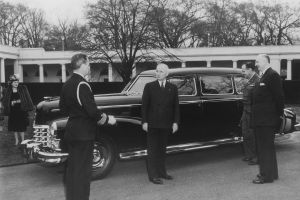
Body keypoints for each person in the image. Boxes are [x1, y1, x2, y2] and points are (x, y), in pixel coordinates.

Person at [59, 53, 116, 200]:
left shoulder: (67, 84)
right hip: (84, 133)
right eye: (88, 64)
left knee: (73, 170)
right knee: (83, 172)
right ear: (82, 65)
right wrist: (108, 119)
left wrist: (77, 112)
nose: (89, 67)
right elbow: (93, 111)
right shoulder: (82, 85)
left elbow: (63, 109)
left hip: (71, 132)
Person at [141, 63, 180, 185]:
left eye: (161, 71)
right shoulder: (149, 86)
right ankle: (153, 175)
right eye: (157, 71)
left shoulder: (173, 88)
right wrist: (144, 122)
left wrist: (176, 122)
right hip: (152, 124)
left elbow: (176, 107)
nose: (157, 73)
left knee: (162, 150)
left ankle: (162, 172)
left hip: (166, 124)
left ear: (167, 74)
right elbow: (144, 106)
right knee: (152, 150)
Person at [251, 54, 284, 184]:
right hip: (262, 119)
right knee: (267, 148)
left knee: (264, 148)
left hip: (267, 120)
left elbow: (279, 98)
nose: (256, 64)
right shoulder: (264, 75)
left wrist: (279, 116)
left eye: (257, 61)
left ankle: (266, 176)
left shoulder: (272, 75)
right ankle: (272, 174)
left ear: (265, 61)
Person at [2, 74, 34, 146]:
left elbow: (28, 98)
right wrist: (9, 104)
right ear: (11, 83)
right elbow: (5, 100)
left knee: (21, 126)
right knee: (14, 126)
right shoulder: (8, 90)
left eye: (17, 82)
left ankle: (22, 140)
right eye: (14, 82)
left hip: (21, 110)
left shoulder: (23, 88)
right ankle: (16, 140)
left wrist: (29, 106)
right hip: (13, 111)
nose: (16, 84)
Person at [240, 63, 260, 165]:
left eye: (244, 70)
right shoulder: (247, 81)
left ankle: (256, 157)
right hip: (246, 111)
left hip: (253, 112)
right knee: (245, 133)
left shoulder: (258, 80)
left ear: (250, 69)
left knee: (253, 135)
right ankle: (249, 155)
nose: (242, 73)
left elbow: (259, 99)